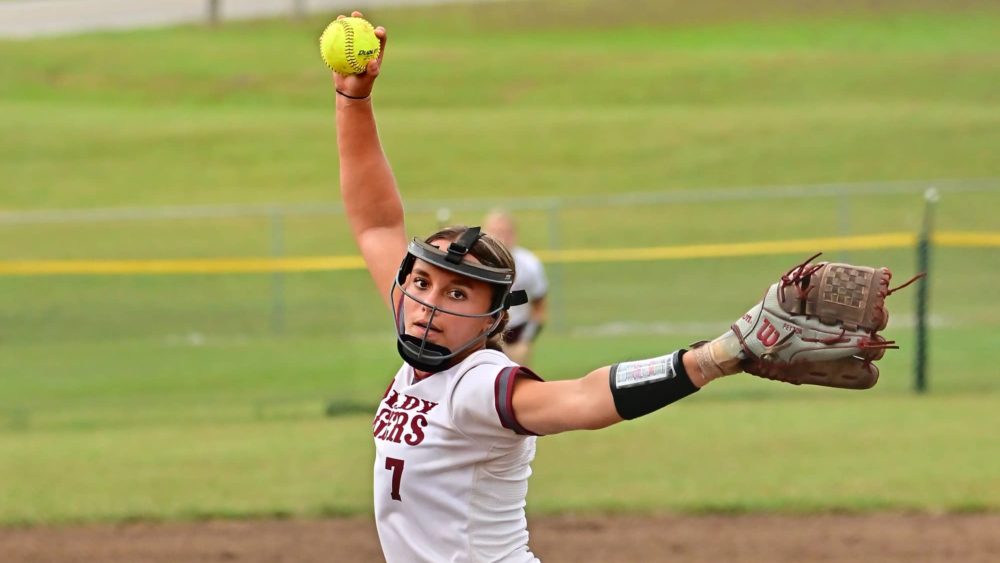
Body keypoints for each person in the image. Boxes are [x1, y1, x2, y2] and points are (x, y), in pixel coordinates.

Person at [332, 12, 901, 562]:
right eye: (424, 283)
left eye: (458, 294)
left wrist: (715, 357)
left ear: (492, 318)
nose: (430, 303)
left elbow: (583, 398)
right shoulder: (420, 322)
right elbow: (377, 224)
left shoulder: (479, 386)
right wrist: (353, 100)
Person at [482, 210, 548, 366]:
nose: (501, 237)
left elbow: (540, 308)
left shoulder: (530, 264)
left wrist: (525, 342)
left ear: (515, 234)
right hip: (483, 336)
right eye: (495, 232)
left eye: (506, 232)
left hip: (516, 335)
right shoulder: (474, 264)